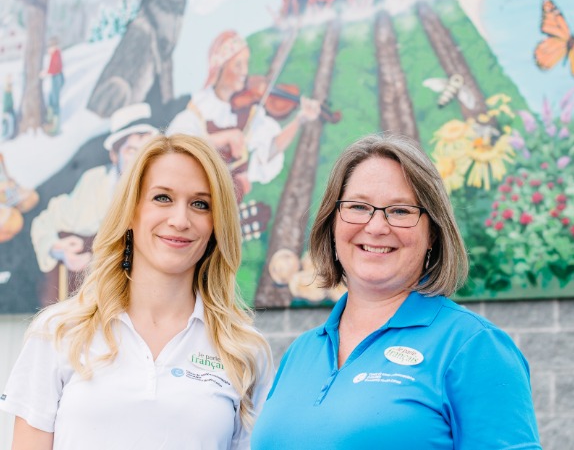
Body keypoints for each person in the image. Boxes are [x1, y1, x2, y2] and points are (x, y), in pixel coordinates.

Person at [252, 133, 542, 449]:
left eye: (401, 211)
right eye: (358, 207)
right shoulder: (301, 351)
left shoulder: (474, 347)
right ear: (333, 224)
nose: (376, 227)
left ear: (432, 231)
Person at [1, 134, 273, 449]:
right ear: (131, 210)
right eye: (162, 198)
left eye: (200, 204)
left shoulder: (243, 351)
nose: (180, 220)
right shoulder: (59, 333)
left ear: (216, 224)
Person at [167, 30, 321, 200]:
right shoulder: (197, 111)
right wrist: (223, 138)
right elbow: (175, 149)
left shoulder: (250, 114)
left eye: (246, 64)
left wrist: (300, 119)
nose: (245, 72)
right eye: (238, 65)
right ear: (220, 67)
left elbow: (270, 149)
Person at [30, 102, 157, 304]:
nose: (140, 160)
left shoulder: (165, 190)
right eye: (131, 151)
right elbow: (45, 221)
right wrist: (58, 248)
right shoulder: (94, 184)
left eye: (147, 151)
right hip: (93, 304)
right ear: (114, 155)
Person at [40, 36, 64, 134]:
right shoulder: (54, 54)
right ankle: (51, 121)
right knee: (51, 99)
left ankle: (55, 127)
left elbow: (55, 68)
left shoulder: (56, 54)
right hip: (55, 77)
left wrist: (46, 73)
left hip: (56, 77)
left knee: (54, 101)